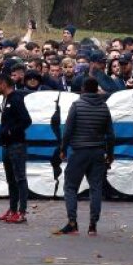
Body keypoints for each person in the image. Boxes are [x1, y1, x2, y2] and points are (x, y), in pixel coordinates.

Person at [54, 78, 115, 236]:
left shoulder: (77, 105)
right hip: (98, 152)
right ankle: (93, 225)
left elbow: (68, 130)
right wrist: (110, 153)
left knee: (70, 186)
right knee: (95, 188)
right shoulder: (104, 107)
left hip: (79, 152)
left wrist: (63, 149)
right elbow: (110, 134)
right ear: (96, 89)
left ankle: (72, 223)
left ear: (82, 89)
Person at [0, 73, 32, 223]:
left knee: (20, 178)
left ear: (3, 84)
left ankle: (21, 212)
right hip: (7, 144)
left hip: (16, 145)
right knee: (11, 179)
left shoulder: (16, 99)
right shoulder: (6, 99)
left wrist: (10, 131)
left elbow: (26, 120)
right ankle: (12, 209)